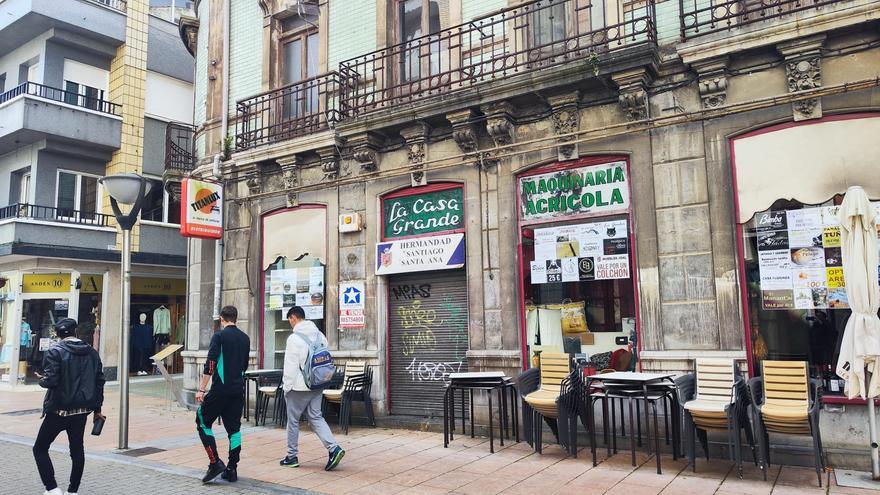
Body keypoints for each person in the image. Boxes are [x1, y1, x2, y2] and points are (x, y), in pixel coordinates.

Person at [33, 318, 105, 495]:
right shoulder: (92, 353)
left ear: (58, 334)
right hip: (82, 411)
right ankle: (73, 491)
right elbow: (99, 382)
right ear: (76, 332)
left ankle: (52, 488)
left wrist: (40, 379)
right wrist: (97, 410)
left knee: (40, 448)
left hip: (59, 410)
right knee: (77, 449)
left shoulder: (54, 352)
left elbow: (51, 381)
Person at [279, 306, 345, 471]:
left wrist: (286, 388)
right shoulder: (320, 335)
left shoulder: (294, 339)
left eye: (290, 321)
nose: (290, 324)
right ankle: (334, 448)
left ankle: (292, 457)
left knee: (293, 421)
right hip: (318, 383)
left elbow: (290, 367)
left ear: (293, 318)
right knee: (316, 417)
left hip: (298, 387)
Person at [195, 305, 250, 483]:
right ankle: (232, 469)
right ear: (236, 318)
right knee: (234, 429)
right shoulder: (245, 338)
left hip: (220, 390)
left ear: (221, 318)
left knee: (202, 421)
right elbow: (244, 366)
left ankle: (214, 462)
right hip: (237, 390)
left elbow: (210, 364)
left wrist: (202, 389)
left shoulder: (219, 336)